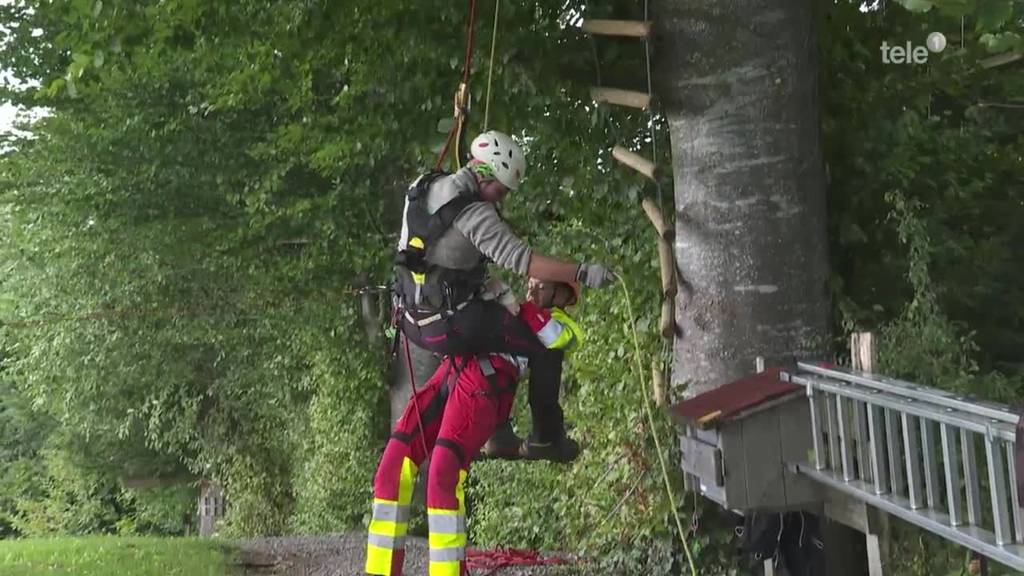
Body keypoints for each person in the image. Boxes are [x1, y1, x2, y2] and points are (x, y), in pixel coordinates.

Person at [394, 129, 614, 462]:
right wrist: (581, 271)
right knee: (544, 346)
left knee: (498, 330)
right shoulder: (474, 213)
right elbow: (523, 260)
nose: (501, 199)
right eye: (499, 190)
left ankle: (499, 435)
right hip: (450, 322)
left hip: (412, 318)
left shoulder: (425, 185)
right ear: (483, 174)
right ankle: (547, 437)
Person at [366, 282, 584, 576]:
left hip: (485, 383)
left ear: (562, 294)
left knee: (442, 473)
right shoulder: (504, 309)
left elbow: (561, 338)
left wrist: (524, 310)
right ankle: (381, 570)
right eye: (532, 282)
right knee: (393, 465)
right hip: (451, 372)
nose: (533, 287)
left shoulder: (553, 321)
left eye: (542, 285)